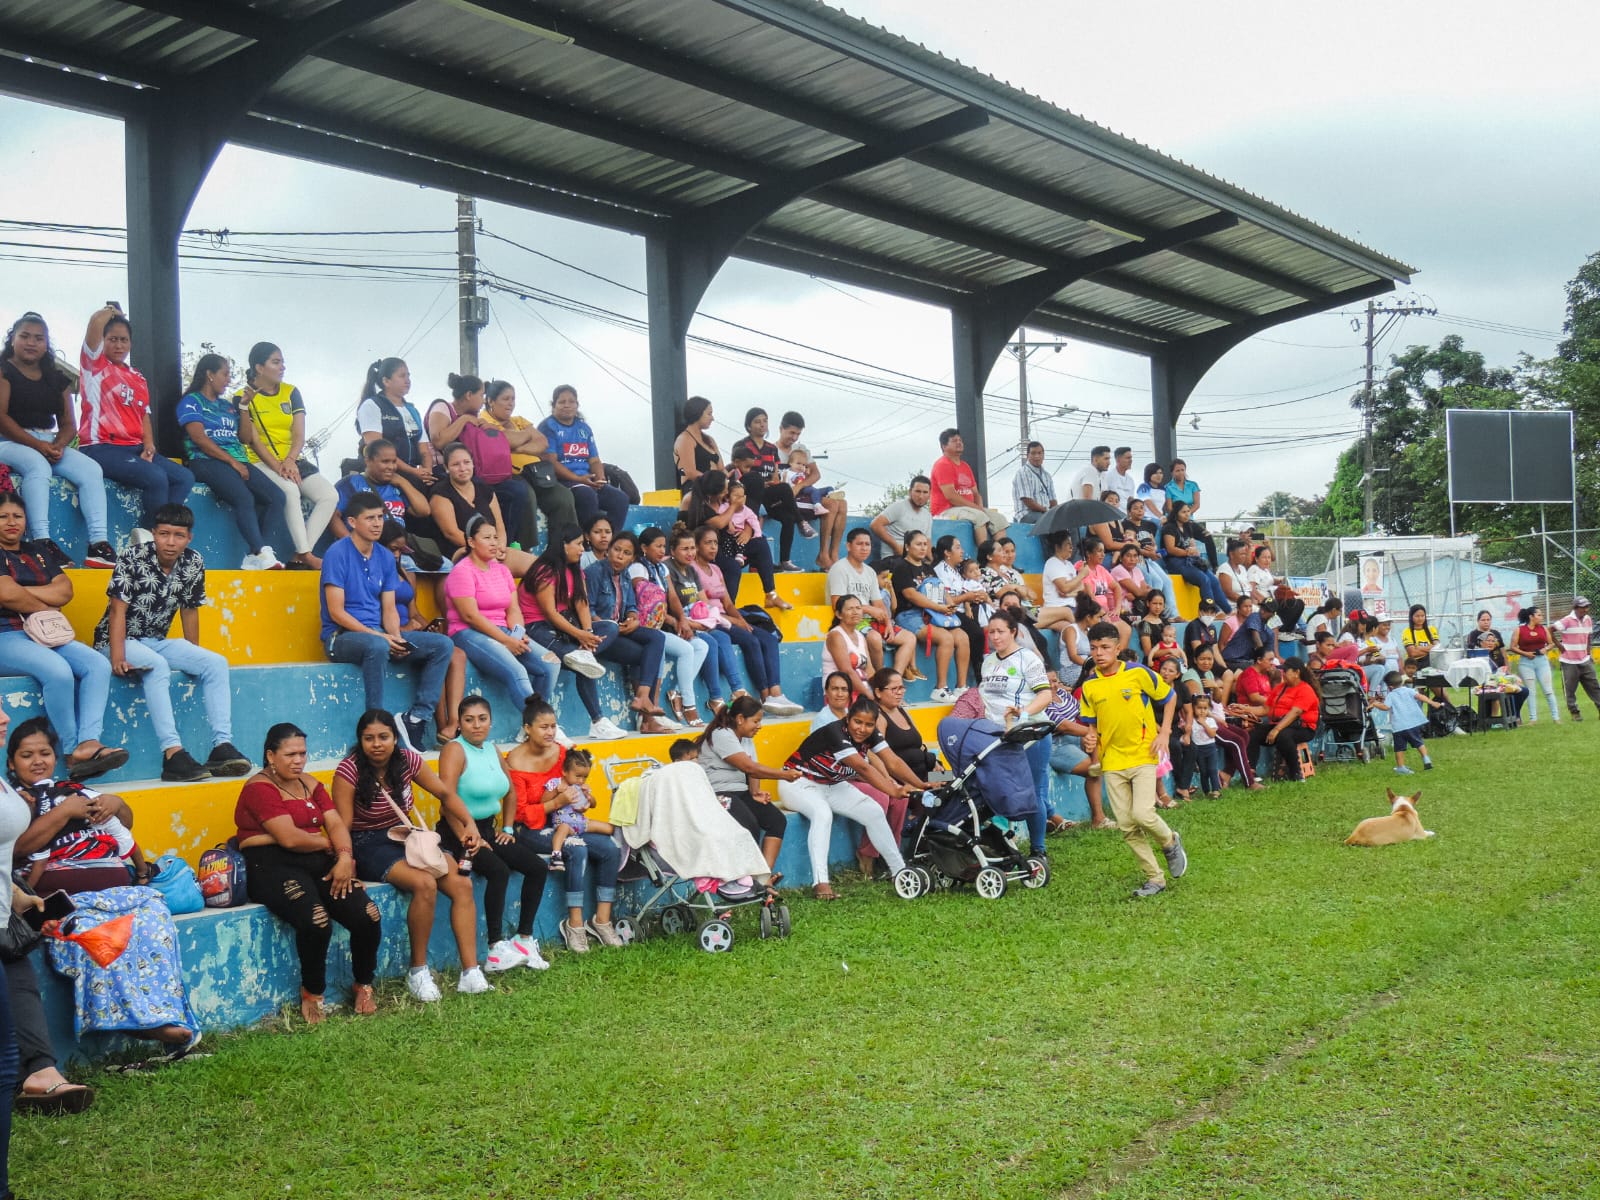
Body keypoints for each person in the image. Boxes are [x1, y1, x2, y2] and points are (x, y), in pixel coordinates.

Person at [9, 717, 199, 1051]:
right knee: (99, 935)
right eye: (27, 755)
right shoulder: (15, 802)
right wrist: (63, 813)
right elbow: (20, 848)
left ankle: (163, 1014)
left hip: (120, 892)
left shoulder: (72, 790)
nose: (37, 761)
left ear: (56, 758)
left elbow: (125, 823)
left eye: (45, 753)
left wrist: (117, 803)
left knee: (155, 922)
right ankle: (135, 1022)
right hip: (68, 901)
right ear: (11, 763)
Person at [332, 709, 490, 1000]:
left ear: (395, 738)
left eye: (383, 737)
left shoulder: (408, 760)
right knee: (424, 883)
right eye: (369, 738)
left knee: (461, 884)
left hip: (407, 835)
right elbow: (342, 825)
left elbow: (445, 793)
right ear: (360, 741)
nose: (376, 744)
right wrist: (346, 860)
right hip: (367, 842)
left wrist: (469, 823)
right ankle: (418, 972)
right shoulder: (349, 770)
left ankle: (470, 972)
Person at [234, 722, 382, 1023]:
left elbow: (336, 823)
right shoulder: (259, 788)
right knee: (316, 921)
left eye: (302, 753)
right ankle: (313, 992)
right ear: (270, 756)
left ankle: (363, 984)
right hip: (271, 865)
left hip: (316, 861)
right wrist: (327, 843)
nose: (298, 760)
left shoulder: (309, 783)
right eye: (290, 754)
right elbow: (288, 838)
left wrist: (344, 857)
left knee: (368, 914)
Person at [93, 503, 251, 782]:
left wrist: (193, 654)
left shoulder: (193, 561)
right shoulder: (133, 556)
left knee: (215, 663)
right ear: (154, 533)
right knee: (157, 666)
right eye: (164, 534)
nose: (170, 542)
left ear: (189, 538)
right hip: (117, 641)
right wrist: (117, 656)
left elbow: (190, 609)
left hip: (156, 640)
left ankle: (221, 746)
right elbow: (117, 609)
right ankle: (172, 753)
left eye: (179, 535)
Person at [0, 491, 124, 781]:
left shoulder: (37, 552)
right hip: (6, 634)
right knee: (58, 671)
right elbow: (5, 594)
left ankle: (88, 742)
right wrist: (44, 603)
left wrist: (21, 594)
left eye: (17, 516)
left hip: (45, 632)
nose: (11, 522)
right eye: (3, 516)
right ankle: (71, 751)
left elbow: (65, 591)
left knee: (97, 664)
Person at [320, 492, 456, 748]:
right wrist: (381, 637)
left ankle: (417, 718)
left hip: (380, 633)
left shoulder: (384, 555)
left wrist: (394, 635)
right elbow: (336, 612)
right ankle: (375, 726)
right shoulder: (337, 553)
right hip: (341, 637)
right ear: (352, 522)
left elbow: (390, 608)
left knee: (442, 644)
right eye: (369, 518)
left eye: (380, 517)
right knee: (378, 646)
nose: (377, 523)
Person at [432, 695, 551, 973]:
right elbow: (447, 800)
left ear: (490, 722)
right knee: (498, 871)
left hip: (488, 828)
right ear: (460, 724)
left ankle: (523, 940)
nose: (476, 725)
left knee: (537, 867)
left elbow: (510, 791)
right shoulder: (454, 750)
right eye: (469, 720)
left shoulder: (492, 749)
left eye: (482, 719)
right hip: (458, 831)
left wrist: (507, 828)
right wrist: (467, 837)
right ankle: (495, 948)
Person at [503, 698, 625, 953]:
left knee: (610, 848)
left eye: (553, 726)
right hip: (531, 829)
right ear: (527, 728)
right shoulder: (514, 761)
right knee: (576, 848)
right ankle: (575, 924)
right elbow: (520, 812)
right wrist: (556, 802)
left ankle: (602, 920)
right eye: (543, 727)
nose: (550, 732)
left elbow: (577, 785)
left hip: (567, 822)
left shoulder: (562, 753)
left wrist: (583, 799)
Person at [1077, 621, 1186, 898]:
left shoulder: (1138, 673)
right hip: (1113, 762)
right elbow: (1091, 727)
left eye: (1105, 647)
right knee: (1127, 825)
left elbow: (1170, 697)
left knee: (1143, 814)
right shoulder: (1090, 686)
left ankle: (1170, 841)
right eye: (1094, 648)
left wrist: (1165, 732)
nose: (1099, 653)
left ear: (1118, 648)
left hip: (1143, 754)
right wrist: (1090, 739)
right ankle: (1155, 878)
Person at [0, 313, 114, 568]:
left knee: (91, 470)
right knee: (37, 466)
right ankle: (41, 541)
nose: (31, 342)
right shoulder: (4, 371)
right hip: (7, 441)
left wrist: (58, 445)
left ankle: (99, 545)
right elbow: (2, 418)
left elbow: (68, 424)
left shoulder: (56, 378)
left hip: (48, 441)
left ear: (46, 343)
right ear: (13, 339)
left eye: (38, 338)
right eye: (25, 336)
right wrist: (39, 446)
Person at [76, 304, 194, 547]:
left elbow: (144, 414)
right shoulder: (95, 365)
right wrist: (112, 313)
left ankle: (158, 531)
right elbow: (94, 325)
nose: (119, 345)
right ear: (103, 341)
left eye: (124, 340)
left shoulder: (137, 376)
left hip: (134, 447)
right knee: (156, 477)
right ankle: (153, 539)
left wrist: (149, 444)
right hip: (101, 447)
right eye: (113, 339)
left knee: (184, 477)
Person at [778, 697, 912, 900]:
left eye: (868, 724)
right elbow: (864, 768)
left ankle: (900, 872)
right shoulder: (835, 731)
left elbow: (893, 761)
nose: (862, 728)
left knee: (874, 811)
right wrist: (893, 789)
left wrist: (922, 784)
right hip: (798, 782)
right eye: (857, 722)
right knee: (822, 813)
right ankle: (821, 883)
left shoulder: (876, 732)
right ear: (848, 719)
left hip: (833, 784)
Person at [177, 353, 286, 571]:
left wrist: (244, 407)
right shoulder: (191, 401)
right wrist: (232, 463)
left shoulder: (226, 406)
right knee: (243, 497)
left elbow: (244, 438)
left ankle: (256, 554)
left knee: (276, 497)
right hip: (205, 460)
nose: (228, 380)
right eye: (225, 374)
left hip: (237, 460)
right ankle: (260, 551)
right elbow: (199, 439)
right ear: (210, 375)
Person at [444, 514, 560, 718]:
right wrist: (505, 640)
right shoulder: (462, 572)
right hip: (468, 632)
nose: (493, 543)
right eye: (486, 538)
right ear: (471, 542)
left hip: (504, 631)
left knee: (550, 664)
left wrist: (518, 634)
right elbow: (470, 616)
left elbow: (513, 609)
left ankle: (532, 724)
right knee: (517, 671)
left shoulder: (502, 571)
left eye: (495, 537)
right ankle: (541, 723)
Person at [235, 342, 338, 570]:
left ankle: (301, 552)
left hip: (293, 460)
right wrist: (279, 467)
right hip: (260, 461)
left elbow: (299, 434)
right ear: (259, 367)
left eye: (283, 362)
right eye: (276, 362)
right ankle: (307, 554)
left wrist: (290, 460)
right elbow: (253, 441)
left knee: (329, 495)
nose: (282, 367)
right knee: (290, 490)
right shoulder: (242, 396)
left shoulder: (291, 392)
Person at [520, 527, 628, 740]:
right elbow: (550, 614)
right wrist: (580, 635)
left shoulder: (575, 570)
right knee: (583, 664)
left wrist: (587, 633)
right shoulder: (544, 571)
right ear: (563, 544)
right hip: (538, 627)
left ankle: (581, 654)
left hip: (567, 625)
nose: (582, 550)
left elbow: (582, 603)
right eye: (578, 544)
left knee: (610, 628)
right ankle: (595, 720)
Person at [688, 525, 801, 716]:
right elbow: (706, 609)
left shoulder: (716, 569)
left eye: (715, 543)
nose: (713, 547)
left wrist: (740, 620)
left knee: (769, 639)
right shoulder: (693, 569)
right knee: (751, 640)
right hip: (712, 621)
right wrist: (734, 622)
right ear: (697, 546)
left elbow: (728, 602)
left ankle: (776, 693)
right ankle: (765, 696)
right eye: (708, 543)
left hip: (728, 617)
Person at [425, 374, 536, 551]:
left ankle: (504, 545)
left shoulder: (474, 416)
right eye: (481, 395)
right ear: (469, 395)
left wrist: (487, 429)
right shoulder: (443, 408)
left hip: (473, 471)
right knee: (480, 489)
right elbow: (438, 441)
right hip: (443, 470)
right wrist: (463, 420)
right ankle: (482, 546)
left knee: (517, 491)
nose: (483, 400)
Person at [584, 530, 677, 734]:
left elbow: (631, 607)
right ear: (608, 550)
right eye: (616, 550)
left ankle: (643, 697)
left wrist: (633, 619)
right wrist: (610, 625)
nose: (619, 556)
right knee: (645, 654)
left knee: (656, 637)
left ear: (633, 558)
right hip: (602, 632)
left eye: (626, 553)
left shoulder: (625, 574)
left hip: (619, 628)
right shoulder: (594, 572)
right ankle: (647, 718)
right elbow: (587, 610)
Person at [977, 610, 1053, 856]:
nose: (995, 637)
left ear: (1014, 632)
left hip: (1030, 734)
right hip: (999, 737)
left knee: (1033, 791)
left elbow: (1046, 694)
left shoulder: (1028, 659)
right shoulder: (988, 662)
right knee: (998, 790)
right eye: (991, 632)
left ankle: (1038, 850)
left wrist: (1023, 713)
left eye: (1000, 631)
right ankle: (1003, 845)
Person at [696, 695, 794, 874]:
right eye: (756, 721)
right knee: (749, 825)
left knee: (777, 820)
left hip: (740, 792)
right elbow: (748, 767)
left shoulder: (746, 738)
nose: (759, 726)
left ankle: (763, 876)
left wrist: (755, 793)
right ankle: (748, 879)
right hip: (719, 794)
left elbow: (752, 767)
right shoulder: (721, 734)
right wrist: (784, 775)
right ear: (740, 719)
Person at [628, 526, 711, 727]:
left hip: (661, 626)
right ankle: (663, 711)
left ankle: (680, 698)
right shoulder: (638, 568)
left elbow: (672, 597)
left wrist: (682, 619)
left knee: (698, 646)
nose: (661, 551)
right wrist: (673, 621)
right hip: (646, 626)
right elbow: (645, 601)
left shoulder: (662, 568)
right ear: (644, 548)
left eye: (663, 546)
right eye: (657, 546)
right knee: (674, 648)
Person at [478, 380, 577, 542]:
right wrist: (527, 435)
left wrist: (518, 448)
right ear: (491, 401)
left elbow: (542, 443)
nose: (511, 403)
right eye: (506, 399)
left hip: (536, 471)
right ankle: (525, 546)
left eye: (513, 399)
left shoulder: (518, 420)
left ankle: (563, 545)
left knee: (563, 497)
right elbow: (505, 440)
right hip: (510, 473)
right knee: (527, 496)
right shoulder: (484, 420)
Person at [682, 469, 790, 611]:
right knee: (732, 567)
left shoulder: (721, 498)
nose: (726, 494)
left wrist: (748, 530)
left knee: (760, 543)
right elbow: (720, 523)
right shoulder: (693, 500)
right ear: (714, 492)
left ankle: (771, 594)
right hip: (706, 549)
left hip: (729, 542)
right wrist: (733, 506)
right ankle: (729, 608)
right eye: (724, 492)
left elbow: (747, 514)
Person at [429, 442, 534, 577]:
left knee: (539, 567)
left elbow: (499, 525)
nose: (462, 468)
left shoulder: (484, 488)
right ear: (446, 468)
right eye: (456, 464)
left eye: (466, 462)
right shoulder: (440, 494)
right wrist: (485, 548)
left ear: (473, 464)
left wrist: (499, 546)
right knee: (491, 566)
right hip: (462, 550)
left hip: (491, 548)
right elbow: (452, 534)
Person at [330, 438, 442, 565]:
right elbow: (333, 517)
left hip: (398, 550)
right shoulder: (351, 483)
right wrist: (353, 545)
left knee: (445, 566)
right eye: (385, 462)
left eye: (394, 462)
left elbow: (424, 511)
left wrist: (402, 482)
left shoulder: (396, 485)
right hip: (366, 551)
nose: (391, 467)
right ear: (368, 461)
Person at [538, 384, 629, 533]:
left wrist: (600, 479)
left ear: (577, 405)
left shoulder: (584, 428)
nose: (567, 405)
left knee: (620, 499)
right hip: (563, 481)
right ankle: (586, 542)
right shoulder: (548, 427)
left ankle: (610, 541)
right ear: (554, 405)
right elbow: (550, 461)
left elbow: (594, 460)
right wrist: (578, 479)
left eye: (571, 401)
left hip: (587, 479)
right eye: (562, 402)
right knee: (587, 495)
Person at [891, 531, 967, 702]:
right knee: (946, 638)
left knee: (962, 637)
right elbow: (911, 595)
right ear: (907, 547)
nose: (923, 548)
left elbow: (941, 590)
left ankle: (961, 687)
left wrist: (950, 606)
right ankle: (940, 689)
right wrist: (939, 608)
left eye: (925, 544)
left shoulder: (928, 568)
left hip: (933, 614)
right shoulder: (902, 568)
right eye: (918, 544)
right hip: (910, 615)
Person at [829, 527, 916, 677]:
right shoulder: (840, 569)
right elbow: (837, 604)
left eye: (867, 544)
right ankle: (879, 678)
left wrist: (888, 623)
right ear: (848, 546)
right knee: (874, 638)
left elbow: (879, 604)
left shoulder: (869, 571)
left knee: (909, 638)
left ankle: (893, 680)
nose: (864, 548)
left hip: (871, 621)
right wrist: (868, 609)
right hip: (851, 620)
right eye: (859, 544)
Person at [731, 408, 805, 571]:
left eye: (765, 421)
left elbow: (775, 476)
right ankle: (755, 560)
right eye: (757, 421)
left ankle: (785, 559)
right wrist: (759, 482)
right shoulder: (741, 445)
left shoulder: (771, 448)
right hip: (749, 492)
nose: (762, 425)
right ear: (749, 426)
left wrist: (772, 483)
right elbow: (738, 472)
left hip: (767, 493)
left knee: (787, 514)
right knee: (756, 480)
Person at [773, 412, 846, 569]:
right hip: (789, 500)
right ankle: (823, 556)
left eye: (798, 434)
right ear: (781, 429)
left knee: (841, 503)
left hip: (803, 493)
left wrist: (799, 486)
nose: (794, 438)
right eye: (791, 433)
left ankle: (832, 555)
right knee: (831, 505)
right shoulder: (772, 451)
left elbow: (816, 474)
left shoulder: (801, 450)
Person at [355, 357, 432, 490]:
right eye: (402, 376)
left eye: (408, 375)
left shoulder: (412, 410)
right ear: (386, 381)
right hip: (383, 476)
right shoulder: (372, 405)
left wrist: (427, 472)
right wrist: (413, 471)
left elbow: (424, 450)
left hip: (413, 474)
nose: (407, 380)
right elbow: (376, 448)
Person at [1247, 657, 1320, 784]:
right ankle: (1251, 772)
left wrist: (1276, 729)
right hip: (1281, 724)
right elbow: (1265, 709)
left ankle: (1295, 772)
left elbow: (1295, 713)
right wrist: (1244, 709)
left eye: (1286, 671)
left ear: (1296, 673)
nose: (1283, 674)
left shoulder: (1306, 689)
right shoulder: (1280, 688)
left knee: (1283, 736)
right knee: (1253, 734)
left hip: (1303, 728)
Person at [929, 429, 1006, 543]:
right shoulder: (942, 464)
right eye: (954, 441)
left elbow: (976, 493)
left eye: (960, 440)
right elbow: (951, 497)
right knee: (979, 517)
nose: (959, 443)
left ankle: (1000, 553)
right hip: (946, 511)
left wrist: (980, 507)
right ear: (944, 446)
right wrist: (977, 509)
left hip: (968, 509)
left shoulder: (965, 466)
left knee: (999, 519)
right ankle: (984, 553)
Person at [1162, 501, 1230, 613]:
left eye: (1188, 511)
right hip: (1175, 561)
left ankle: (1228, 611)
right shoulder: (1169, 528)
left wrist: (1194, 550)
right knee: (1204, 580)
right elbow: (1170, 549)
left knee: (1213, 580)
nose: (1187, 514)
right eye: (1183, 512)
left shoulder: (1188, 526)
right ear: (1176, 513)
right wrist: (1188, 552)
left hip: (1190, 560)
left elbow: (1192, 543)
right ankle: (1212, 610)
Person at [1369, 670, 1440, 775]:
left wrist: (1375, 704)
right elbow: (1420, 696)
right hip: (1413, 724)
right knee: (1419, 743)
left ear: (1390, 687)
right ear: (1401, 681)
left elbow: (1386, 707)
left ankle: (1401, 767)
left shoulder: (1391, 695)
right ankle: (1426, 759)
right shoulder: (1409, 690)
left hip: (1399, 727)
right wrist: (1432, 702)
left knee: (1399, 748)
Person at [1551, 597, 1600, 721]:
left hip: (1585, 660)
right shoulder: (1567, 620)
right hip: (1569, 661)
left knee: (1594, 686)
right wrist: (1559, 646)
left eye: (1587, 607)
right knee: (1570, 689)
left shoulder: (1588, 619)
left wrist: (1588, 653)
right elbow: (1549, 630)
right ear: (1575, 608)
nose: (1585, 609)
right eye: (1583, 607)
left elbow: (1589, 636)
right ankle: (1575, 713)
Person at [1512, 605, 1559, 723]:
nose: (1541, 617)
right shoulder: (1520, 630)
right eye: (1539, 615)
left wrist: (1545, 649)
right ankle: (1533, 719)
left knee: (1548, 690)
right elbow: (1513, 647)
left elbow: (1551, 643)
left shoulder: (1543, 629)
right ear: (1531, 616)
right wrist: (1525, 653)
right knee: (1531, 691)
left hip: (1542, 662)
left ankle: (1556, 718)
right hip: (1526, 663)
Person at [869, 475, 934, 561]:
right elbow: (875, 525)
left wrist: (933, 563)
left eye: (925, 492)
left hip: (915, 561)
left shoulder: (927, 516)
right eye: (918, 491)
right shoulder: (899, 507)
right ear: (910, 492)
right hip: (893, 559)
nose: (921, 496)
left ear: (929, 494)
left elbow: (927, 543)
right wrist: (896, 547)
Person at [674, 396, 723, 489]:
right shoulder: (685, 439)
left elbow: (721, 468)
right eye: (709, 414)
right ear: (697, 414)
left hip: (716, 490)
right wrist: (714, 482)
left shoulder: (710, 440)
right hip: (696, 489)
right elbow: (689, 472)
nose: (712, 418)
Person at [1012, 440, 1056, 524]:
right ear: (1027, 455)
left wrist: (1054, 512)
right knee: (1046, 521)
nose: (1037, 456)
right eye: (1033, 453)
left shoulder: (1047, 475)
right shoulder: (1023, 473)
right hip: (1026, 514)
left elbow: (1053, 500)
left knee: (1064, 522)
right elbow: (1028, 501)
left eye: (1039, 453)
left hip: (1044, 514)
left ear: (1043, 455)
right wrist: (1046, 510)